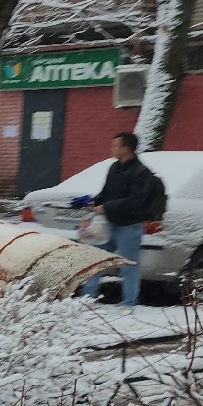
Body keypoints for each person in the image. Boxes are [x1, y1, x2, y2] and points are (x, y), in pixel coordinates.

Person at [81, 131, 165, 307]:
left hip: (129, 226)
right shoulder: (114, 168)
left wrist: (107, 207)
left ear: (126, 148)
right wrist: (92, 203)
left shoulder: (141, 173)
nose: (112, 149)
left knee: (129, 266)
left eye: (115, 146)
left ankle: (129, 303)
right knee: (95, 259)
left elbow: (135, 201)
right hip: (109, 224)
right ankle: (88, 297)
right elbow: (106, 192)